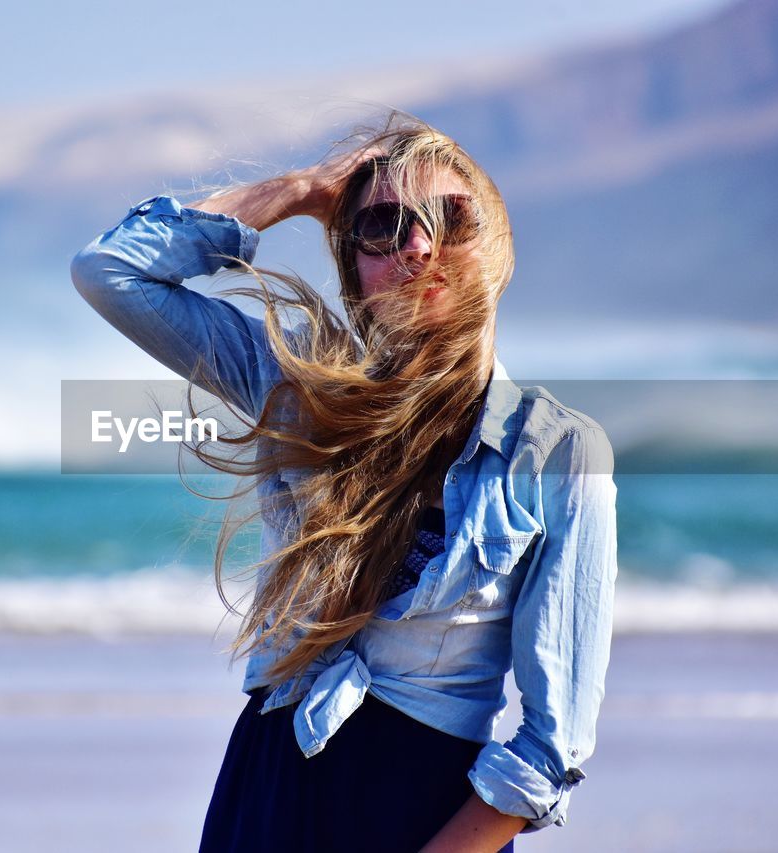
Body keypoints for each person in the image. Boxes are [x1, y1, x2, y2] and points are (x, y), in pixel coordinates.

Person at [70, 112, 618, 852]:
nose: (417, 246)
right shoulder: (293, 384)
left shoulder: (555, 454)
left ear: (498, 249)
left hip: (428, 816)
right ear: (352, 264)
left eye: (451, 219)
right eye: (383, 226)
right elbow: (110, 270)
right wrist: (300, 189)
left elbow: (553, 746)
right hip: (263, 798)